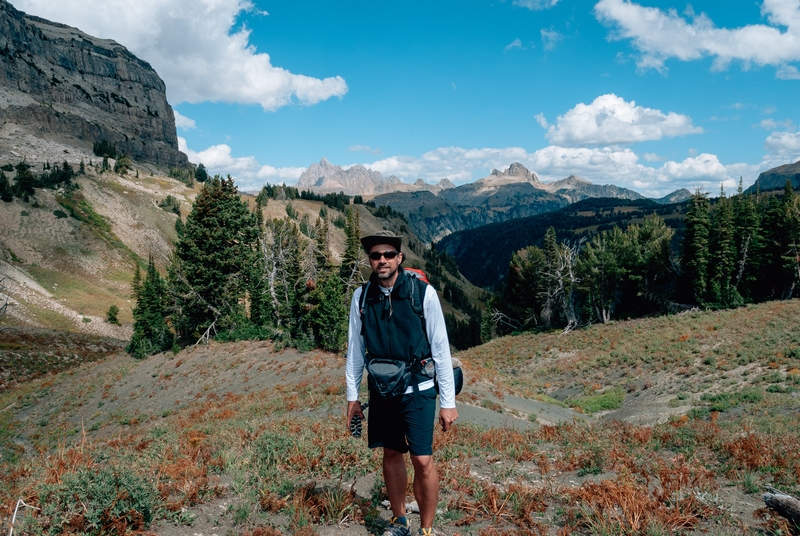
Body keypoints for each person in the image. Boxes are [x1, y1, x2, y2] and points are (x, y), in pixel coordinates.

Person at [346, 230, 458, 536]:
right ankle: (398, 521)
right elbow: (355, 351)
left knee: (422, 460)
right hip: (383, 392)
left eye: (387, 255)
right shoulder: (361, 297)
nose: (381, 261)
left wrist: (448, 402)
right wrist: (352, 398)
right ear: (369, 260)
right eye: (374, 255)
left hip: (419, 390)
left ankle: (427, 528)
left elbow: (441, 349)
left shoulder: (423, 293)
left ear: (399, 258)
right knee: (392, 454)